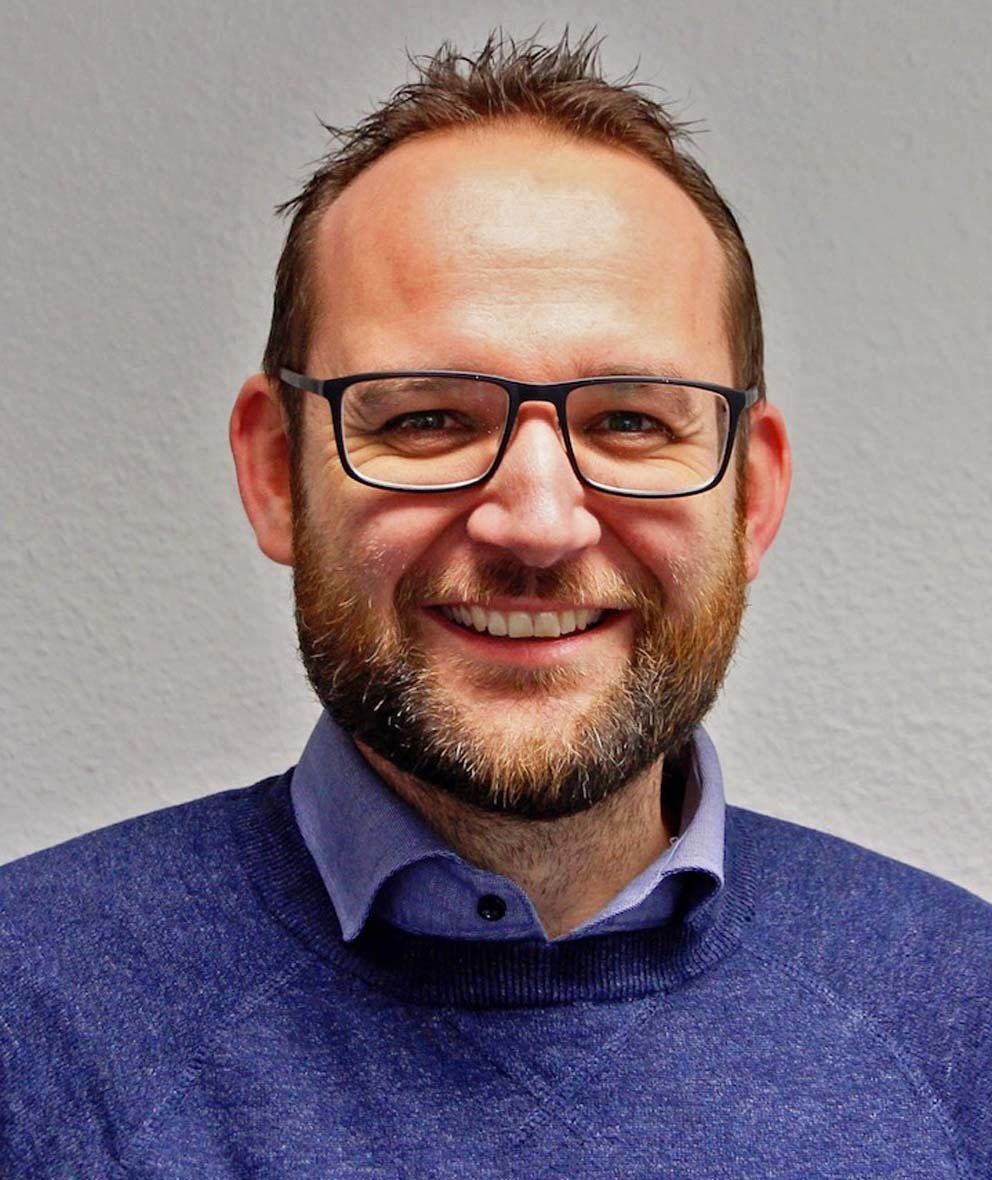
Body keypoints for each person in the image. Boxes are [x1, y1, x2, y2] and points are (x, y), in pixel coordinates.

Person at [1, 31, 989, 1179]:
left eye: (630, 421)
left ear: (751, 494)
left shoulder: (958, 1022)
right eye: (423, 418)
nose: (535, 522)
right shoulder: (31, 1015)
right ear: (275, 472)